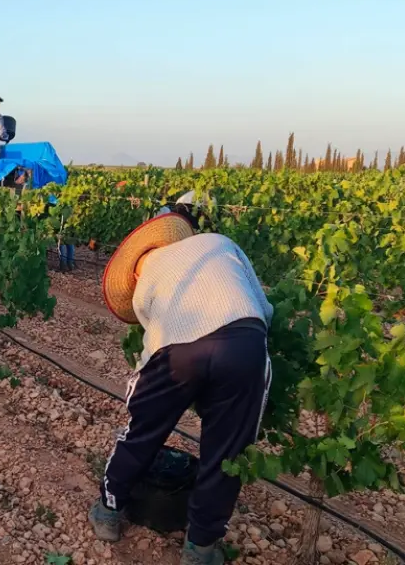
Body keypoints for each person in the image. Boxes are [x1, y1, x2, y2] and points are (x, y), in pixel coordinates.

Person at [92, 213, 273, 565]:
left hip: (178, 353)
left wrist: (140, 401)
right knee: (227, 453)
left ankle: (108, 513)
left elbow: (158, 347)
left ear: (134, 273)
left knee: (141, 434)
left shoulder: (145, 286)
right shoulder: (219, 243)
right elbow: (265, 310)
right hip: (245, 342)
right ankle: (200, 549)